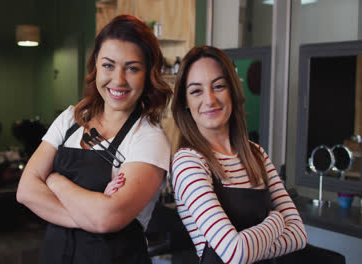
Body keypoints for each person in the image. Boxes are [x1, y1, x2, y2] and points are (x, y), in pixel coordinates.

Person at [16, 14, 172, 264]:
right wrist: (90, 218)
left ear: (148, 74)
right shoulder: (71, 119)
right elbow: (25, 191)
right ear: (95, 67)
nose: (118, 80)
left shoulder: (149, 139)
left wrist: (55, 181)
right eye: (108, 65)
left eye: (132, 68)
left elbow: (107, 218)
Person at [170, 46, 307, 264]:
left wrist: (248, 247)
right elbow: (235, 253)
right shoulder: (189, 162)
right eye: (196, 91)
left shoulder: (256, 154)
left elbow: (299, 235)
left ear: (232, 91)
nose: (210, 99)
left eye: (219, 86)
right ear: (185, 102)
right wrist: (277, 219)